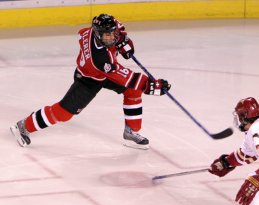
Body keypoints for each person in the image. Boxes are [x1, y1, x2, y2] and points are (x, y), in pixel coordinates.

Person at [10, 14, 171, 150]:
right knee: (64, 113)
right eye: (107, 35)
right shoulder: (100, 59)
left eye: (112, 33)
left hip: (103, 74)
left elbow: (116, 31)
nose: (111, 37)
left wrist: (123, 39)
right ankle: (24, 126)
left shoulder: (92, 32)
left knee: (132, 91)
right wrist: (150, 85)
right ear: (98, 34)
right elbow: (126, 76)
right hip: (88, 79)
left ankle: (131, 131)